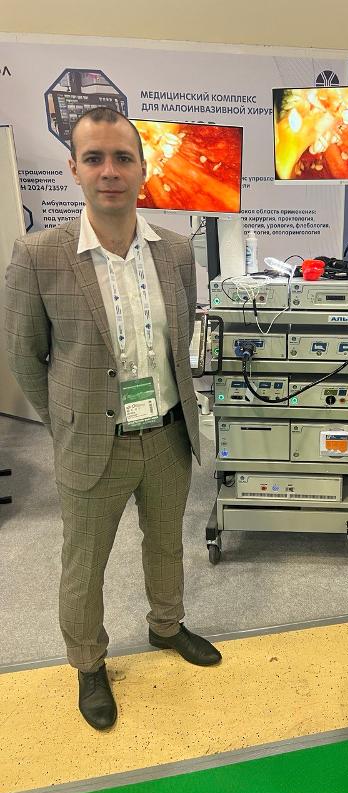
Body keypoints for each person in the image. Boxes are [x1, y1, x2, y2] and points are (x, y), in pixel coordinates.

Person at [4, 107, 221, 731]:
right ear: (73, 168)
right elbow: (24, 356)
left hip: (168, 434)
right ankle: (88, 663)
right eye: (94, 158)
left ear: (143, 169)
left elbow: (180, 341)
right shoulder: (39, 254)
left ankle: (166, 625)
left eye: (123, 158)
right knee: (85, 561)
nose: (109, 171)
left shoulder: (175, 251)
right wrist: (67, 423)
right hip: (93, 440)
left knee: (166, 542)